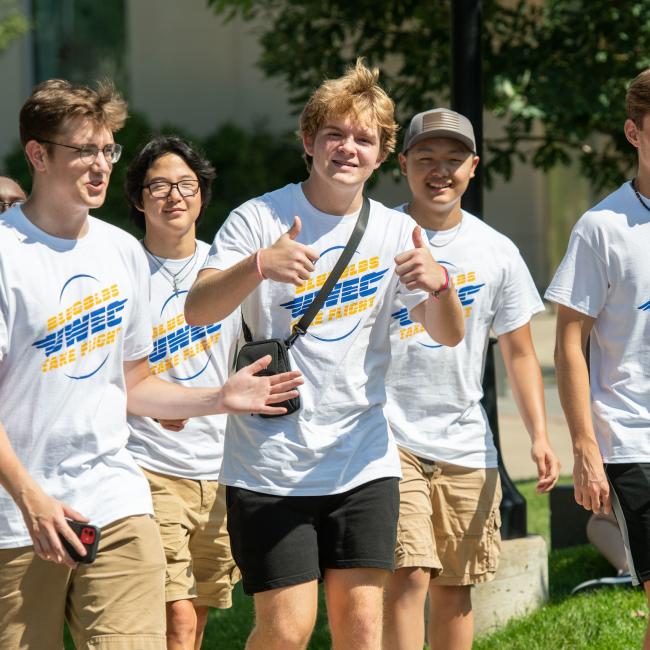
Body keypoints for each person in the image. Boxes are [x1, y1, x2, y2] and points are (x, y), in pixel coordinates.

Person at [0, 79, 302, 650]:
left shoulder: (119, 251)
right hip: (17, 517)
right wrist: (30, 498)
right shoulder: (5, 256)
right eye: (82, 151)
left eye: (107, 150)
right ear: (37, 155)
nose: (99, 166)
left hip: (116, 500)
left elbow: (134, 381)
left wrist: (219, 398)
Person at [185, 60, 465, 650]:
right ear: (309, 141)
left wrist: (441, 286)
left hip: (361, 460)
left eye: (364, 139)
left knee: (363, 632)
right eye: (335, 134)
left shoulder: (394, 231)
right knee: (286, 632)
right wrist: (258, 265)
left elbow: (449, 334)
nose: (348, 148)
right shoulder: (260, 218)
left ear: (382, 154)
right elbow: (198, 309)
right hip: (270, 463)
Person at [382, 108, 560, 650]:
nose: (441, 171)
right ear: (403, 164)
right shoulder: (376, 236)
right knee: (408, 573)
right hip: (385, 434)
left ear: (474, 167)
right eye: (427, 158)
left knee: (456, 589)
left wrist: (539, 434)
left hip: (464, 439)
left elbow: (521, 353)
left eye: (454, 160)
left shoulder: (496, 250)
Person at [546, 68, 650, 648]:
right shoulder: (602, 228)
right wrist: (585, 446)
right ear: (634, 133)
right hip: (635, 440)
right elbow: (568, 342)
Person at [125, 135, 241, 650]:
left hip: (221, 466)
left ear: (202, 194)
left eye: (186, 184)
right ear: (137, 198)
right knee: (172, 616)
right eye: (159, 185)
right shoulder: (120, 269)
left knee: (196, 616)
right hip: (146, 463)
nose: (173, 195)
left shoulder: (229, 268)